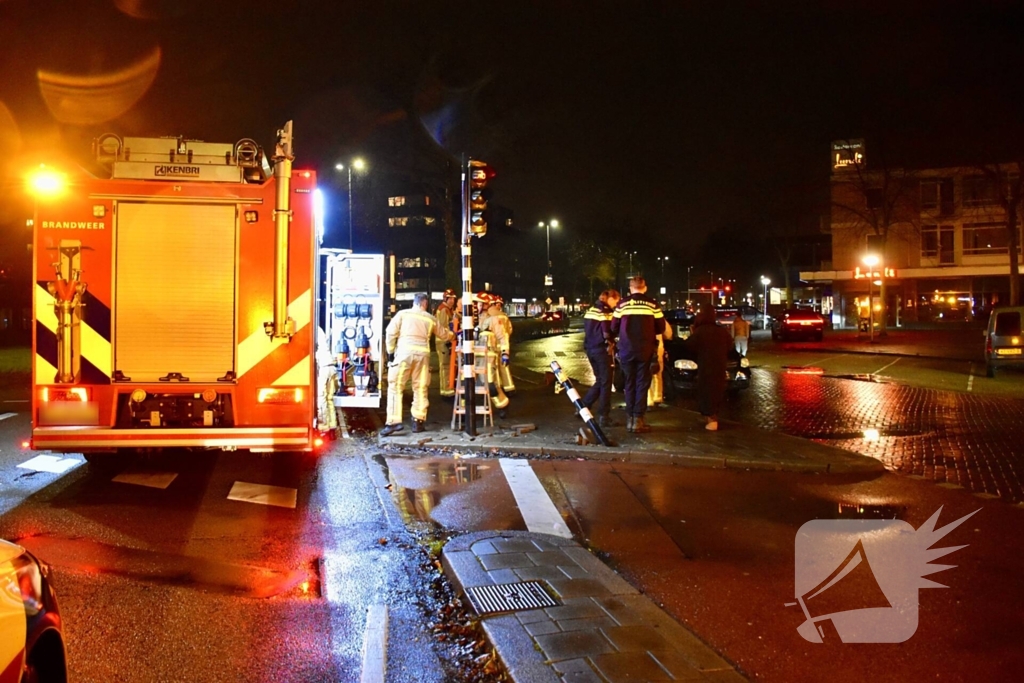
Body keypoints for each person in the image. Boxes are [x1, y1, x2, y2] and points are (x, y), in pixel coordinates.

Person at [381, 293, 453, 436]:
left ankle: (394, 422)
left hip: (403, 355)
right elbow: (444, 334)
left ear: (414, 302)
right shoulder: (430, 318)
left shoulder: (402, 314)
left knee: (395, 387)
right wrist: (455, 334)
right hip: (423, 358)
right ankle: (418, 422)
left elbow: (390, 332)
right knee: (420, 388)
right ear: (425, 303)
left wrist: (390, 351)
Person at [610, 276, 665, 433]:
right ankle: (638, 420)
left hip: (626, 350)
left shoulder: (622, 305)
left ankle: (629, 419)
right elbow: (661, 327)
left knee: (629, 383)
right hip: (645, 350)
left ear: (630, 288)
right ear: (644, 288)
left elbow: (614, 327)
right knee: (642, 384)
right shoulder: (653, 305)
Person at [686, 307, 732, 431]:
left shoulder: (700, 331)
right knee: (716, 391)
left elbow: (690, 346)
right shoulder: (722, 332)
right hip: (720, 366)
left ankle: (711, 419)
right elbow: (730, 346)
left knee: (706, 392)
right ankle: (713, 416)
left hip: (705, 366)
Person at [582, 290, 620, 427]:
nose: (616, 304)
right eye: (616, 301)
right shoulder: (605, 312)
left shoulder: (591, 310)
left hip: (590, 349)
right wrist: (613, 339)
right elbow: (606, 333)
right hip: (602, 350)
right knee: (606, 382)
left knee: (600, 380)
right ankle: (604, 415)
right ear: (610, 299)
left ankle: (583, 406)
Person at [479, 296, 510, 418]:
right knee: (465, 383)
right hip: (472, 357)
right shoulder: (470, 319)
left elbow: (502, 337)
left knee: (491, 384)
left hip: (488, 357)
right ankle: (465, 410)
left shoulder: (493, 320)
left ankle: (503, 405)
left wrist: (505, 353)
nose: (477, 306)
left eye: (480, 304)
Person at [434, 288, 458, 397]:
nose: (452, 301)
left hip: (446, 341)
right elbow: (443, 327)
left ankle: (448, 388)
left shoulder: (448, 309)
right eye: (450, 299)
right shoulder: (444, 310)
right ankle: (445, 390)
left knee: (448, 365)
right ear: (446, 299)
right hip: (443, 342)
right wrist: (448, 339)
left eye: (453, 299)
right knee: (445, 366)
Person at [491, 296, 516, 394]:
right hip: (504, 344)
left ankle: (499, 387)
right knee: (504, 366)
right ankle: (509, 387)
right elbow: (509, 330)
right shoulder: (504, 316)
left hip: (495, 345)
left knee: (495, 367)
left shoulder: (493, 316)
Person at [647, 320, 673, 407]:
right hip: (658, 348)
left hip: (644, 348)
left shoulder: (640, 315)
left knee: (645, 373)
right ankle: (657, 397)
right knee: (657, 372)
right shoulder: (660, 318)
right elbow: (668, 334)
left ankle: (648, 399)